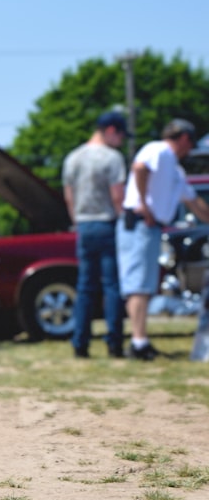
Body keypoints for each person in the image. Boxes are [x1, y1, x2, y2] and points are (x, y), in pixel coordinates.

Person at [119, 118, 209, 360]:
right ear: (183, 139)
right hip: (140, 223)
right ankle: (138, 343)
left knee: (146, 286)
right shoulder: (157, 149)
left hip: (151, 227)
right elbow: (139, 168)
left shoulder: (175, 169)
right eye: (190, 144)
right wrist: (145, 206)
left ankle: (141, 340)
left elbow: (193, 201)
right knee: (137, 284)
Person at [62, 111, 129, 359]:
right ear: (111, 130)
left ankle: (80, 342)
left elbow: (69, 197)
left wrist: (77, 221)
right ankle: (114, 342)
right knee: (112, 285)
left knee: (85, 286)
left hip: (83, 225)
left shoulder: (73, 158)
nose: (121, 141)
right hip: (107, 224)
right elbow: (117, 196)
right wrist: (123, 220)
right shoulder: (112, 158)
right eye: (121, 135)